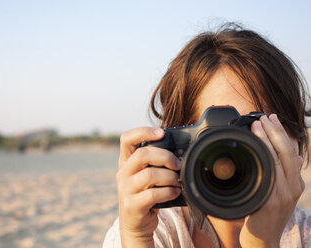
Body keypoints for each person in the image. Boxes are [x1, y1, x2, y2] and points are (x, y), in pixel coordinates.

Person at [103, 23, 311, 248]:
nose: (238, 155)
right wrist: (137, 238)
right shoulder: (153, 233)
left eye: (258, 131)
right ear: (181, 152)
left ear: (295, 140)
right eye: (217, 139)